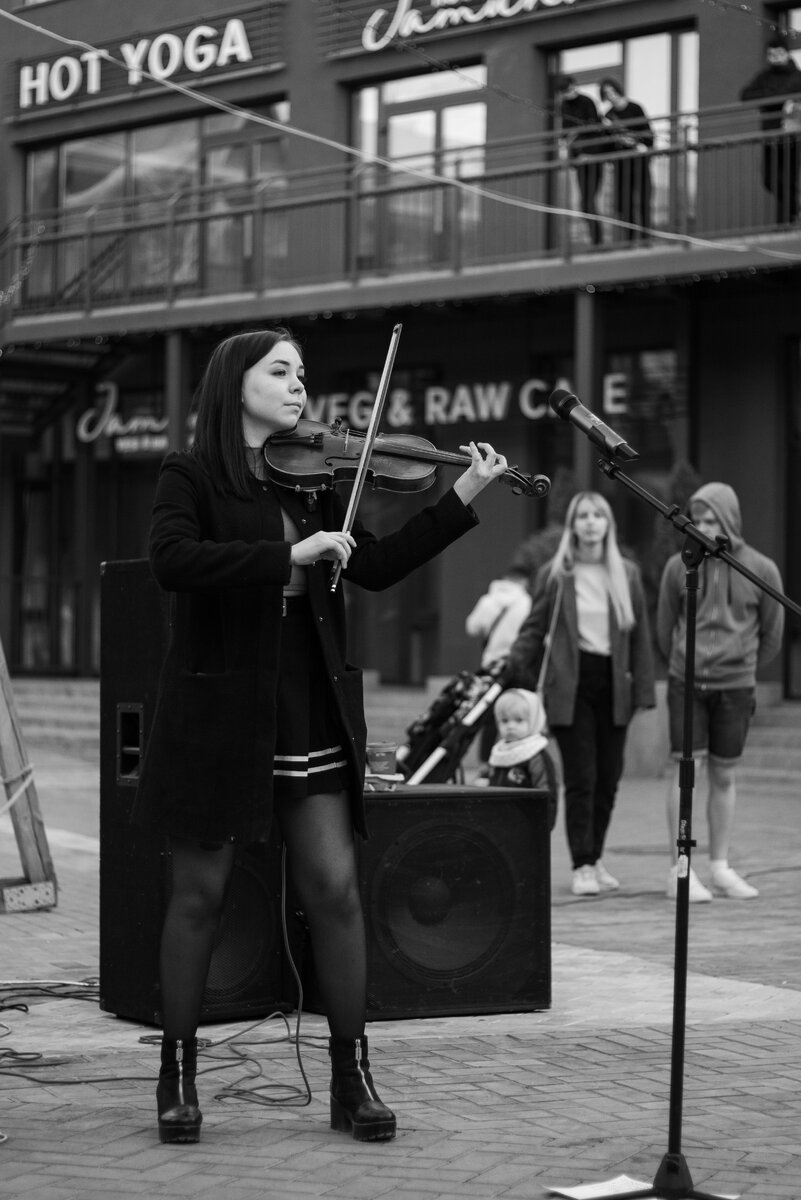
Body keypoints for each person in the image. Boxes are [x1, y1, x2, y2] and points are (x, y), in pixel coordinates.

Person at [131, 326, 509, 1145]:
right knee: (198, 895)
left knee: (334, 890)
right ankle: (178, 1073)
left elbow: (371, 566)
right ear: (236, 384)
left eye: (302, 374)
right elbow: (171, 560)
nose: (300, 387)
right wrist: (284, 558)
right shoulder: (189, 472)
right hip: (219, 710)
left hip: (308, 702)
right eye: (281, 372)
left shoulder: (314, 484)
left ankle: (351, 1075)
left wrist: (461, 496)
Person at [506, 491, 655, 896]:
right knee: (582, 778)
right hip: (570, 686)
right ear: (573, 525)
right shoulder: (555, 575)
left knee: (609, 779)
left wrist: (643, 690)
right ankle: (581, 864)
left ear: (608, 524)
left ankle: (596, 857)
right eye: (583, 516)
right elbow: (534, 630)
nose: (590, 522)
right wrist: (512, 664)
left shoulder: (627, 573)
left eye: (598, 515)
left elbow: (640, 636)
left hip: (613, 684)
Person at [657, 482, 785, 902]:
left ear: (730, 519)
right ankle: (682, 870)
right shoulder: (680, 566)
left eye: (712, 518)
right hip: (686, 683)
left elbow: (772, 634)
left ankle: (720, 867)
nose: (704, 525)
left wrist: (740, 664)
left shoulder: (761, 569)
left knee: (724, 775)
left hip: (735, 687)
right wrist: (684, 660)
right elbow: (664, 628)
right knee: (683, 773)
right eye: (699, 517)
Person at [465, 565, 532, 764]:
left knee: (491, 717)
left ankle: (486, 763)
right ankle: (517, 760)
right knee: (518, 712)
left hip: (492, 666)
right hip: (518, 664)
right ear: (522, 581)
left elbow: (472, 627)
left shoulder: (488, 600)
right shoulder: (525, 602)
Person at [739, 36, 801, 225]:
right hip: (770, 136)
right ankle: (796, 210)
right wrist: (775, 98)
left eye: (778, 53)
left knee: (788, 180)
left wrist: (769, 98)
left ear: (786, 53)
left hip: (791, 135)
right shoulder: (764, 76)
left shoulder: (796, 75)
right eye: (770, 54)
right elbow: (745, 95)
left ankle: (786, 223)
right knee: (769, 180)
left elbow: (789, 93)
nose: (774, 57)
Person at [483, 688, 559, 832]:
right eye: (504, 721)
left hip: (528, 826)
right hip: (497, 824)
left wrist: (543, 825)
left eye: (519, 720)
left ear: (534, 720)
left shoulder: (535, 755)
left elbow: (547, 793)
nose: (510, 726)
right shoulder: (498, 752)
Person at [555, 74, 610, 247]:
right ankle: (595, 239)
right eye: (564, 92)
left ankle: (598, 240)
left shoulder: (587, 101)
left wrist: (576, 133)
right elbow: (565, 132)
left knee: (590, 200)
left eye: (569, 90)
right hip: (579, 160)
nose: (568, 95)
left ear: (574, 86)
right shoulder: (563, 105)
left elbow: (595, 127)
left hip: (592, 158)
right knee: (583, 203)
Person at [599, 78, 654, 242]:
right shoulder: (608, 116)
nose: (611, 96)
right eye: (606, 94)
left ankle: (645, 237)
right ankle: (631, 239)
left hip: (639, 160)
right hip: (621, 164)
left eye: (612, 92)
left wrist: (640, 143)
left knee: (643, 199)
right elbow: (607, 144)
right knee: (625, 203)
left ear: (618, 90)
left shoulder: (635, 108)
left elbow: (647, 133)